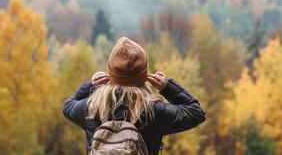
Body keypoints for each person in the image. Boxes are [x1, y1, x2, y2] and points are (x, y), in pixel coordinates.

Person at [63, 37, 206, 155]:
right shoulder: (153, 111)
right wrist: (167, 87)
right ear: (145, 76)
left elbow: (68, 106)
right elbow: (196, 113)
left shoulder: (91, 108)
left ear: (110, 73)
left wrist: (90, 84)